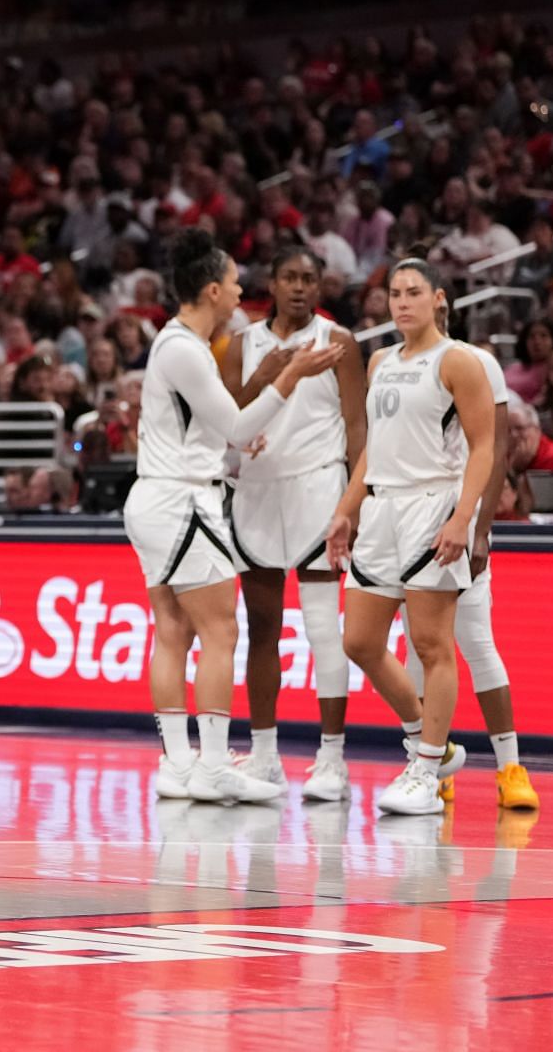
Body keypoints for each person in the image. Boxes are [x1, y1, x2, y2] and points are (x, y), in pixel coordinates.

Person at [127, 228, 340, 804]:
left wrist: (237, 444)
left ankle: (177, 763)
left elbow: (214, 435)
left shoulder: (177, 345)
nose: (241, 287)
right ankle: (215, 765)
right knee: (221, 630)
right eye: (234, 281)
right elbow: (240, 424)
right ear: (212, 290)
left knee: (172, 631)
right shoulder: (184, 350)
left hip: (158, 497)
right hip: (181, 502)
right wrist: (288, 377)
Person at [325, 259, 495, 816]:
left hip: (433, 503)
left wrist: (461, 518)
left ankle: (423, 770)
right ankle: (432, 739)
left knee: (431, 643)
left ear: (437, 298)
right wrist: (347, 510)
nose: (402, 302)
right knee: (360, 642)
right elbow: (376, 445)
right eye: (394, 293)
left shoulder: (458, 362)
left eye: (413, 292)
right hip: (382, 507)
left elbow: (484, 448)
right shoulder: (379, 361)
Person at [217, 247, 366, 801]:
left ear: (320, 287)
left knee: (325, 629)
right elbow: (226, 418)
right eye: (290, 278)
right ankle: (264, 756)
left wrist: (355, 502)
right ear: (272, 285)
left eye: (309, 278)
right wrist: (259, 378)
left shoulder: (340, 342)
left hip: (319, 491)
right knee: (260, 630)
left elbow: (356, 426)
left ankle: (332, 760)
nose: (300, 287)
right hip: (256, 494)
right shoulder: (240, 345)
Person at [397, 318, 538, 811]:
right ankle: (430, 764)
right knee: (419, 651)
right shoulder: (394, 368)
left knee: (478, 644)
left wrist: (480, 531)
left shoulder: (478, 363)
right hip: (408, 524)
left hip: (460, 517)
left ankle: (510, 767)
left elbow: (494, 448)